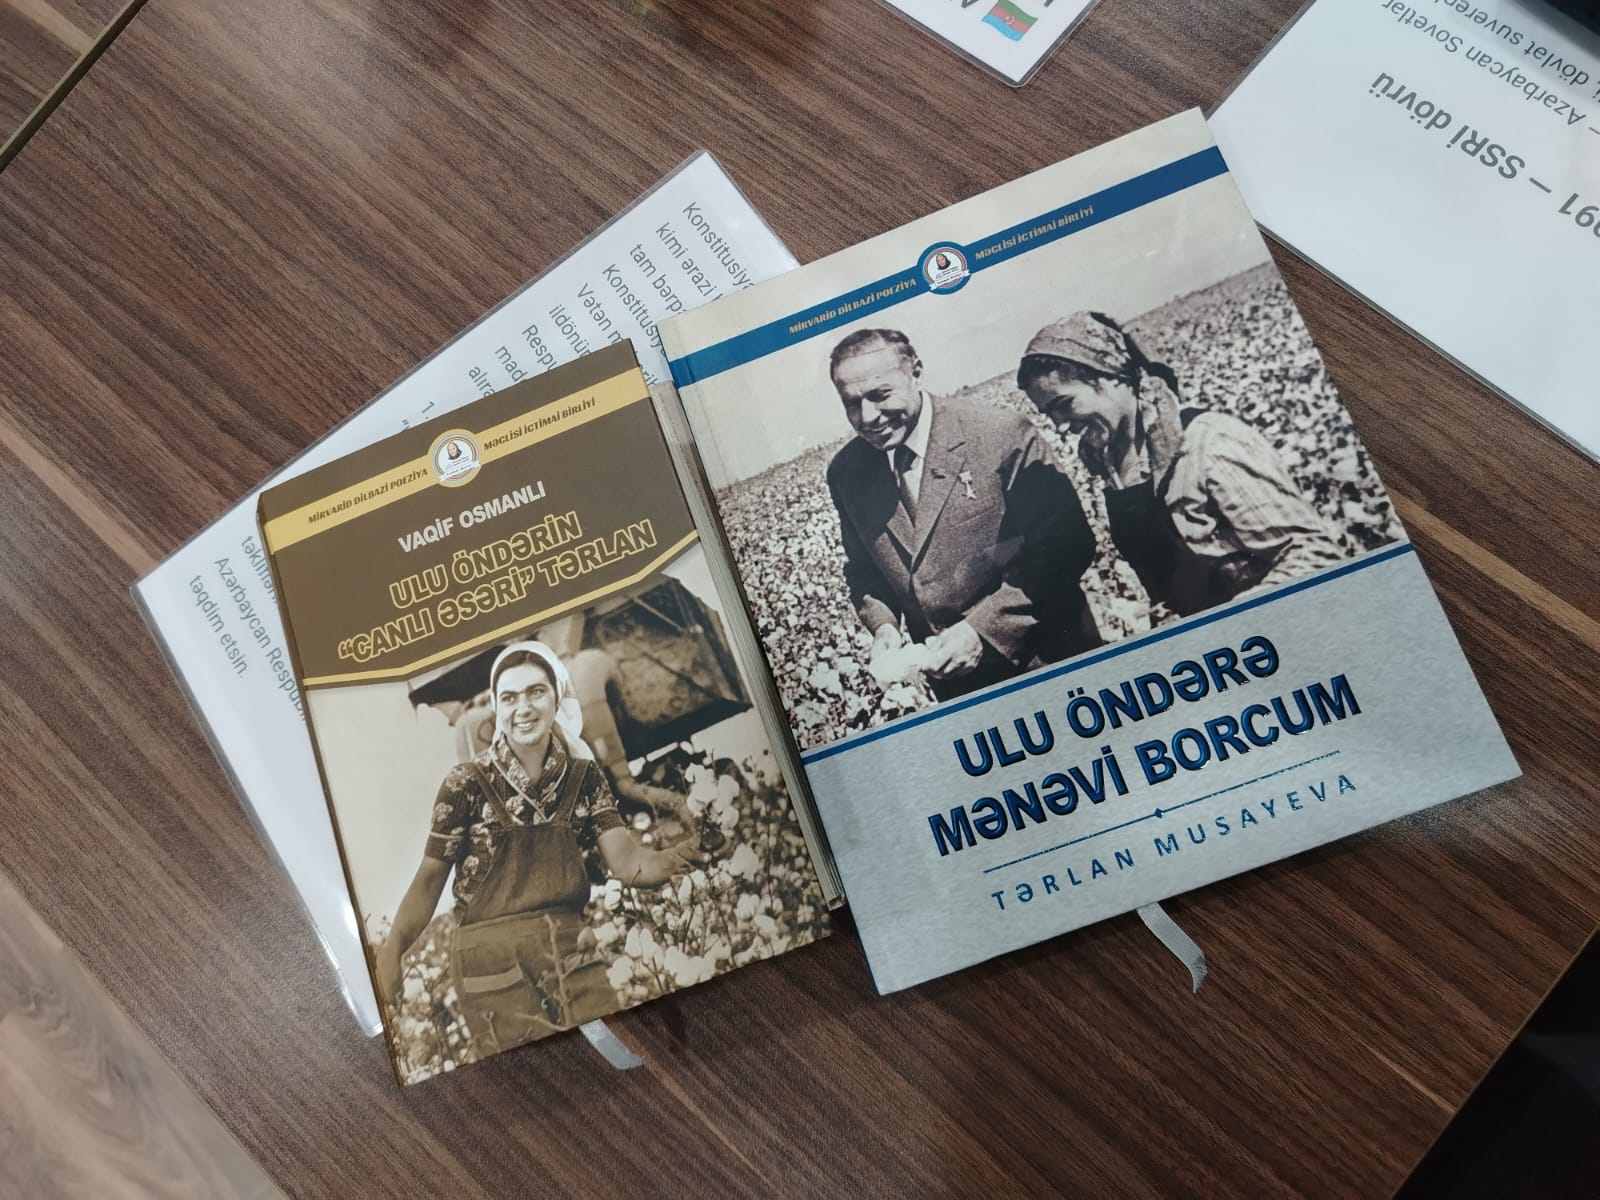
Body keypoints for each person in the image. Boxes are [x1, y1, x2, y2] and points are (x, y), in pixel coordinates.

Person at [377, 641, 703, 1058]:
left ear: (557, 696)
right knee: (539, 1077)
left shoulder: (584, 778)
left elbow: (628, 862)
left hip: (569, 946)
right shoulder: (465, 783)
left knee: (614, 1056)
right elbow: (428, 880)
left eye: (536, 692)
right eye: (510, 697)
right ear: (497, 707)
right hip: (490, 962)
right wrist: (392, 950)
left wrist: (690, 854)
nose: (524, 708)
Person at [825, 328, 1101, 702]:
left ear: (915, 371)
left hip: (1050, 662)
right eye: (852, 403)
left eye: (880, 395)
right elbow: (864, 570)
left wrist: (982, 631)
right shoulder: (847, 473)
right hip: (959, 691)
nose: (868, 416)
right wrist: (884, 626)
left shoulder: (999, 434)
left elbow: (1066, 544)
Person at [1016, 311, 1345, 617]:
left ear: (1111, 376)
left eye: (1064, 404)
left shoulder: (1211, 443)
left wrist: (1227, 622)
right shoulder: (1107, 463)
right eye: (1049, 414)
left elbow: (1314, 556)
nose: (1059, 425)